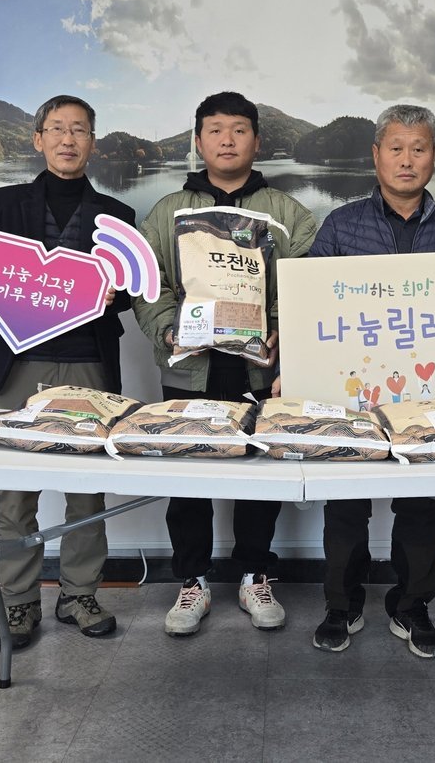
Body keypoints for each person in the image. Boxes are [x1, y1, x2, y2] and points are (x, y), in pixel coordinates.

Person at [134, 91, 316, 637]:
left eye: (239, 129)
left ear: (257, 141)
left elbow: (304, 282)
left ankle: (254, 575)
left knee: (258, 477)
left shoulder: (286, 213)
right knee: (187, 476)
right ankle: (192, 581)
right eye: (215, 130)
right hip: (190, 367)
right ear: (198, 141)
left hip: (259, 368)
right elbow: (148, 284)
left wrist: (281, 328)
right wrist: (168, 329)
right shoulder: (168, 211)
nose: (227, 140)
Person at [307, 103, 435, 658]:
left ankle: (413, 606)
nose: (407, 160)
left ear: (434, 156)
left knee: (420, 506)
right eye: (396, 148)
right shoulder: (341, 226)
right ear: (376, 155)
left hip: (429, 397)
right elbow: (313, 309)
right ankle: (341, 604)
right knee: (345, 501)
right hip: (351, 395)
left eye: (419, 148)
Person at [0, 95, 135, 650]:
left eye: (80, 130)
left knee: (85, 488)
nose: (68, 139)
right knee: (14, 491)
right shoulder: (2, 203)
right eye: (58, 129)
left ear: (93, 141)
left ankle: (79, 594)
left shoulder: (118, 215)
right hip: (20, 360)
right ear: (38, 138)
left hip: (89, 359)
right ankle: (19, 601)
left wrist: (114, 295)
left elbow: (129, 295)